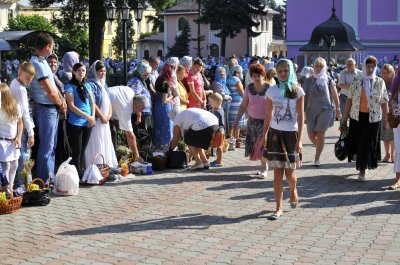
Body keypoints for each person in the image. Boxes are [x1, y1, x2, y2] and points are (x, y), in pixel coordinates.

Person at [261, 58, 304, 220]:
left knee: (290, 174)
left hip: (291, 135)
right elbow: (267, 114)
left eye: (286, 70)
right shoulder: (271, 91)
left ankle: (293, 190)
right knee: (277, 172)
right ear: (276, 72)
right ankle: (278, 207)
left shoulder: (298, 91)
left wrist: (300, 139)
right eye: (280, 71)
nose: (283, 73)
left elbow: (300, 117)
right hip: (275, 134)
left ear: (291, 71)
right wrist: (264, 134)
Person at [341, 56, 389, 182]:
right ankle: (363, 166)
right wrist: (344, 118)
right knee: (359, 143)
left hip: (373, 119)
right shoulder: (357, 80)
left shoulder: (380, 82)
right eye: (368, 66)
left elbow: (384, 103)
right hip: (357, 117)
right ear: (364, 67)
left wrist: (386, 120)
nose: (370, 68)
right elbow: (349, 100)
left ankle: (362, 169)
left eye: (373, 66)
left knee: (368, 143)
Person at [30, 33, 67, 186]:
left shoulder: (43, 61)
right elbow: (49, 91)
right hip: (46, 108)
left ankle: (49, 178)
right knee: (47, 146)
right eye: (52, 45)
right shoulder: (37, 63)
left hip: (52, 107)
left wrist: (62, 100)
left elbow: (53, 86)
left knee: (51, 146)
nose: (53, 48)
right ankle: (43, 181)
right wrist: (60, 103)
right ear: (47, 46)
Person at [233, 63, 269, 178]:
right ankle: (263, 166)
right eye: (254, 76)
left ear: (263, 75)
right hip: (253, 121)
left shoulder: (270, 88)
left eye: (259, 76)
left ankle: (264, 168)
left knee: (262, 144)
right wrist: (236, 121)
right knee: (256, 145)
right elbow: (243, 105)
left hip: (266, 121)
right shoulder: (249, 88)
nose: (257, 78)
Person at [303, 57, 341, 166]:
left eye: (321, 66)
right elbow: (304, 97)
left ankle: (317, 158)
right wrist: (302, 111)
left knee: (320, 134)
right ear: (313, 67)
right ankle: (320, 145)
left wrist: (338, 109)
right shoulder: (309, 80)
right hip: (311, 110)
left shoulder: (328, 80)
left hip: (325, 110)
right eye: (316, 66)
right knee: (311, 134)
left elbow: (334, 95)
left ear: (324, 68)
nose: (318, 68)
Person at [84, 60, 118, 169]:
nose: (103, 73)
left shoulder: (104, 85)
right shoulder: (90, 85)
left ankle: (106, 165)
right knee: (97, 142)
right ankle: (96, 165)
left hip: (105, 120)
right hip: (98, 119)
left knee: (106, 141)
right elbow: (92, 103)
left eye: (104, 71)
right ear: (95, 71)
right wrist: (102, 116)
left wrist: (109, 114)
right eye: (100, 71)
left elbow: (108, 101)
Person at [65, 63, 96, 178]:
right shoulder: (69, 86)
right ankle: (76, 174)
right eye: (78, 70)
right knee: (76, 151)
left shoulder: (88, 86)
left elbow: (92, 102)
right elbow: (71, 106)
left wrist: (92, 117)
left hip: (88, 122)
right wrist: (88, 117)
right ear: (73, 72)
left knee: (83, 150)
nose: (81, 72)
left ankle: (80, 172)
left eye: (83, 70)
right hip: (76, 122)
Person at [9, 63, 35, 190]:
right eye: (27, 78)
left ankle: (22, 184)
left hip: (17, 125)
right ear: (20, 73)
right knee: (24, 155)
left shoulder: (14, 82)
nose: (29, 81)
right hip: (23, 127)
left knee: (20, 155)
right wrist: (31, 133)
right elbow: (25, 113)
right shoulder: (21, 89)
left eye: (30, 79)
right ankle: (23, 185)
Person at [108, 86, 148, 162]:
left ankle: (113, 159)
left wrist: (138, 114)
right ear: (136, 104)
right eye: (141, 109)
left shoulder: (131, 92)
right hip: (101, 110)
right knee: (112, 134)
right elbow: (130, 135)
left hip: (108, 108)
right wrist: (137, 156)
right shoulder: (126, 108)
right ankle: (112, 161)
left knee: (113, 133)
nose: (141, 112)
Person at [47, 53, 71, 169]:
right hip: (55, 110)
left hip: (61, 112)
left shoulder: (56, 75)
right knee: (53, 142)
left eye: (55, 62)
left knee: (59, 141)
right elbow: (55, 93)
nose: (53, 64)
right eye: (50, 62)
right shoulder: (48, 77)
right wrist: (62, 105)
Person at [0, 83, 23, 190]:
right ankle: (5, 191)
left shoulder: (16, 107)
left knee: (15, 165)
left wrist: (19, 138)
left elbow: (20, 123)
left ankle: (10, 188)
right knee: (6, 166)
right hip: (2, 141)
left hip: (13, 142)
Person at [128, 61, 153, 147]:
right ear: (141, 72)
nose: (147, 76)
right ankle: (144, 153)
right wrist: (139, 115)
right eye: (146, 74)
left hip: (143, 111)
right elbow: (136, 99)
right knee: (141, 133)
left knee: (143, 133)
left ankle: (145, 152)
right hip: (140, 112)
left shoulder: (140, 80)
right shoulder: (136, 81)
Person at [153, 64, 174, 148]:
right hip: (164, 108)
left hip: (157, 106)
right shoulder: (166, 83)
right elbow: (164, 101)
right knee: (167, 128)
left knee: (159, 127)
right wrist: (172, 96)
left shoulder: (158, 79)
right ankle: (167, 148)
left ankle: (159, 147)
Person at [380, 64, 396, 163]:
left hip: (395, 112)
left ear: (392, 72)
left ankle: (393, 154)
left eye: (388, 72)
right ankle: (387, 154)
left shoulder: (396, 82)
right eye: (384, 73)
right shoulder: (380, 82)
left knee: (394, 135)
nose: (385, 75)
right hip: (383, 112)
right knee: (385, 134)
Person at [227, 65, 246, 147]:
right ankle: (237, 141)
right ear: (238, 72)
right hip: (238, 101)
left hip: (232, 101)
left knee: (232, 122)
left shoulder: (229, 79)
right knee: (237, 123)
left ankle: (230, 141)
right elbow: (242, 92)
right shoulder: (237, 80)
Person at [389, 66, 400, 190]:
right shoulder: (397, 86)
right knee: (399, 151)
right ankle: (397, 179)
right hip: (398, 124)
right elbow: (393, 104)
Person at [209, 93, 225, 167]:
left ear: (217, 102)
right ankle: (218, 160)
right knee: (219, 146)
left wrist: (213, 132)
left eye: (211, 102)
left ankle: (219, 161)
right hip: (222, 130)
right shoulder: (221, 109)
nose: (210, 103)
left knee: (219, 147)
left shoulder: (216, 112)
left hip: (218, 131)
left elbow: (215, 123)